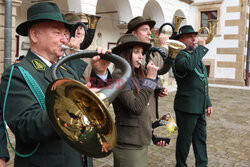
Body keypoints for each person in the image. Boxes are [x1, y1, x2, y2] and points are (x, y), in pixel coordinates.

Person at [0, 2, 110, 167]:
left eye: (66, 33)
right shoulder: (18, 73)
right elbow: (25, 125)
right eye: (57, 32)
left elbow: (97, 104)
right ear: (35, 35)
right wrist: (73, 106)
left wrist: (100, 73)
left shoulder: (67, 70)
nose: (64, 38)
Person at [111, 34, 168, 167]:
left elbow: (145, 94)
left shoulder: (138, 72)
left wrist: (158, 88)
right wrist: (150, 80)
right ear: (125, 54)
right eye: (136, 52)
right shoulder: (118, 74)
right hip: (128, 143)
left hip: (141, 139)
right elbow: (136, 106)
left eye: (141, 52)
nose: (141, 56)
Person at [172, 25, 213, 167]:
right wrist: (201, 48)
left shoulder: (195, 56)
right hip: (187, 107)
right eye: (190, 36)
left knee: (201, 139)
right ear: (181, 39)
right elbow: (188, 67)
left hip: (199, 106)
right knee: (185, 140)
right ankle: (181, 165)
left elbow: (203, 81)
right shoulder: (179, 56)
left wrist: (207, 102)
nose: (194, 39)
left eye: (194, 36)